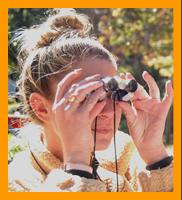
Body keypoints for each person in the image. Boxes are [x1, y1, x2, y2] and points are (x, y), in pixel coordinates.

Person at [8, 8, 173, 192]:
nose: (109, 112)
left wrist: (155, 156)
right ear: (41, 108)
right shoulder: (15, 183)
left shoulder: (126, 155)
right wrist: (77, 169)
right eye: (88, 95)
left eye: (114, 93)